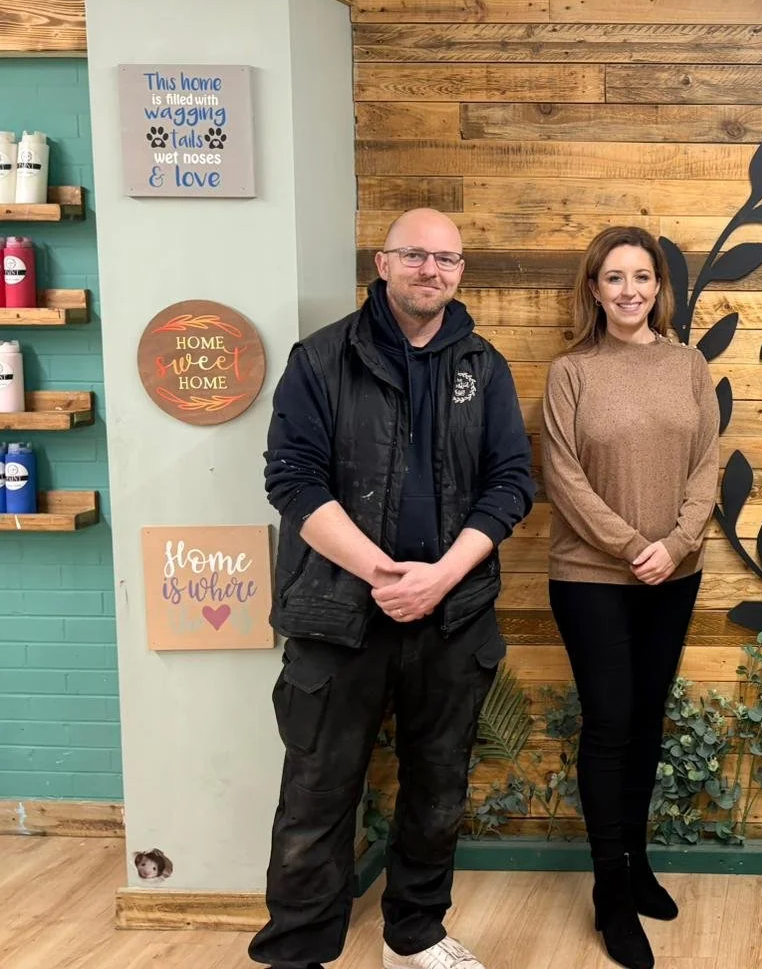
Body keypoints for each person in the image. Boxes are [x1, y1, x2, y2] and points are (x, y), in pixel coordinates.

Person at [250, 208, 537, 969]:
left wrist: (441, 578)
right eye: (415, 255)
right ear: (383, 263)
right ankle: (296, 953)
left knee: (438, 792)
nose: (430, 270)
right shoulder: (320, 360)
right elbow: (292, 481)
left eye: (446, 259)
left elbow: (511, 483)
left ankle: (414, 938)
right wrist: (383, 575)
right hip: (338, 617)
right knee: (315, 796)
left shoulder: (484, 367)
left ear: (460, 272)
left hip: (451, 617)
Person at [540, 225, 720, 969]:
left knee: (646, 720)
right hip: (590, 575)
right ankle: (610, 890)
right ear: (594, 289)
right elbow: (562, 475)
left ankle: (636, 863)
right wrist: (630, 546)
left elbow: (707, 463)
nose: (629, 290)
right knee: (610, 722)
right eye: (613, 277)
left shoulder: (689, 364)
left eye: (641, 277)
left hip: (673, 574)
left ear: (658, 287)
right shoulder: (571, 372)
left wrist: (674, 545)